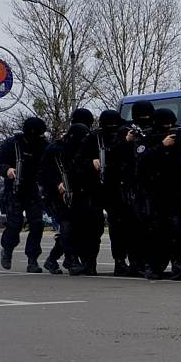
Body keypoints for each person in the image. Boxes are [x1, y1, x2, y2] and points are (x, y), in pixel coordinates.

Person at [134, 108, 181, 280]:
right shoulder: (146, 137)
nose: (168, 126)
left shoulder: (176, 136)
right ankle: (152, 266)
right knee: (155, 230)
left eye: (170, 123)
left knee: (175, 228)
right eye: (165, 124)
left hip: (174, 190)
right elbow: (141, 160)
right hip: (153, 191)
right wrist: (161, 145)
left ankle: (176, 263)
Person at [75, 109, 128, 276]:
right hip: (95, 187)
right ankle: (89, 263)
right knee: (94, 228)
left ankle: (120, 262)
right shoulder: (93, 138)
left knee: (119, 227)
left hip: (116, 187)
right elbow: (78, 161)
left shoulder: (124, 136)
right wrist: (91, 162)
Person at [0, 117, 49, 273]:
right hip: (14, 190)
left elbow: (52, 161)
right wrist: (7, 170)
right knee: (15, 223)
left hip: (33, 190)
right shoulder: (12, 144)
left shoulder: (44, 145)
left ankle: (32, 259)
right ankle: (7, 249)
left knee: (37, 224)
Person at [42, 109, 94, 272]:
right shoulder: (55, 150)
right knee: (67, 226)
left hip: (77, 193)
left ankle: (53, 259)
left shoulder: (83, 148)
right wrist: (57, 183)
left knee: (75, 228)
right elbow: (43, 173)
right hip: (56, 195)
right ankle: (71, 259)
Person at [119, 100, 155, 276]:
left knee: (149, 224)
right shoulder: (125, 131)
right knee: (134, 225)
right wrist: (127, 141)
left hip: (150, 183)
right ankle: (135, 261)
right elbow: (114, 156)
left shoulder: (154, 130)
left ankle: (147, 261)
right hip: (131, 185)